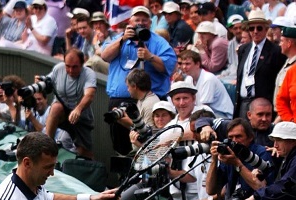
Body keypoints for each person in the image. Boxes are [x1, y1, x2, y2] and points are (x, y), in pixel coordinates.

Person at [100, 6, 177, 154]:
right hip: (120, 100)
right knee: (121, 147)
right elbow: (105, 56)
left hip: (149, 103)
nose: (141, 23)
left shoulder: (159, 43)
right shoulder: (119, 39)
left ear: (150, 22)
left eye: (144, 20)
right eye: (137, 20)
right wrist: (122, 39)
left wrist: (151, 57)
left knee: (147, 145)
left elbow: (169, 66)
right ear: (130, 21)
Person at [199, 118, 272, 200]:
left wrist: (237, 163)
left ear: (250, 137)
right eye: (230, 138)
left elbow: (260, 188)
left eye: (238, 137)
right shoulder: (228, 155)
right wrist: (214, 159)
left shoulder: (261, 153)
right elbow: (211, 190)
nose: (234, 141)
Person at [240, 121, 296, 200]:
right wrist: (274, 164)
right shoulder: (288, 157)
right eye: (274, 140)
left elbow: (284, 185)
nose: (275, 145)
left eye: (279, 140)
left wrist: (256, 195)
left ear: (292, 141)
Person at [42, 48, 97, 158]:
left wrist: (78, 109)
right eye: (67, 66)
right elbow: (45, 82)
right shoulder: (58, 69)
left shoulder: (89, 74)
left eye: (75, 67)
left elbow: (89, 95)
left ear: (82, 64)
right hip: (61, 113)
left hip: (80, 116)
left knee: (83, 152)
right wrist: (39, 83)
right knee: (56, 107)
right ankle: (47, 145)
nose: (71, 70)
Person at [234, 9, 286, 118]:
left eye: (259, 28)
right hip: (243, 103)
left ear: (266, 29)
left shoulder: (276, 51)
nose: (255, 31)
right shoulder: (243, 50)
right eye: (252, 28)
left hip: (263, 107)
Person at [177, 49, 234, 119]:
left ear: (197, 64)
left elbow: (204, 109)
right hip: (206, 113)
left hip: (222, 116)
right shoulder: (188, 79)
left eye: (187, 64)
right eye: (182, 64)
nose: (184, 67)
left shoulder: (208, 79)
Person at [276, 26, 296, 122]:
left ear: (289, 43)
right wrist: (290, 120)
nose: (280, 44)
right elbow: (281, 100)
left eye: (282, 41)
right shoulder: (292, 70)